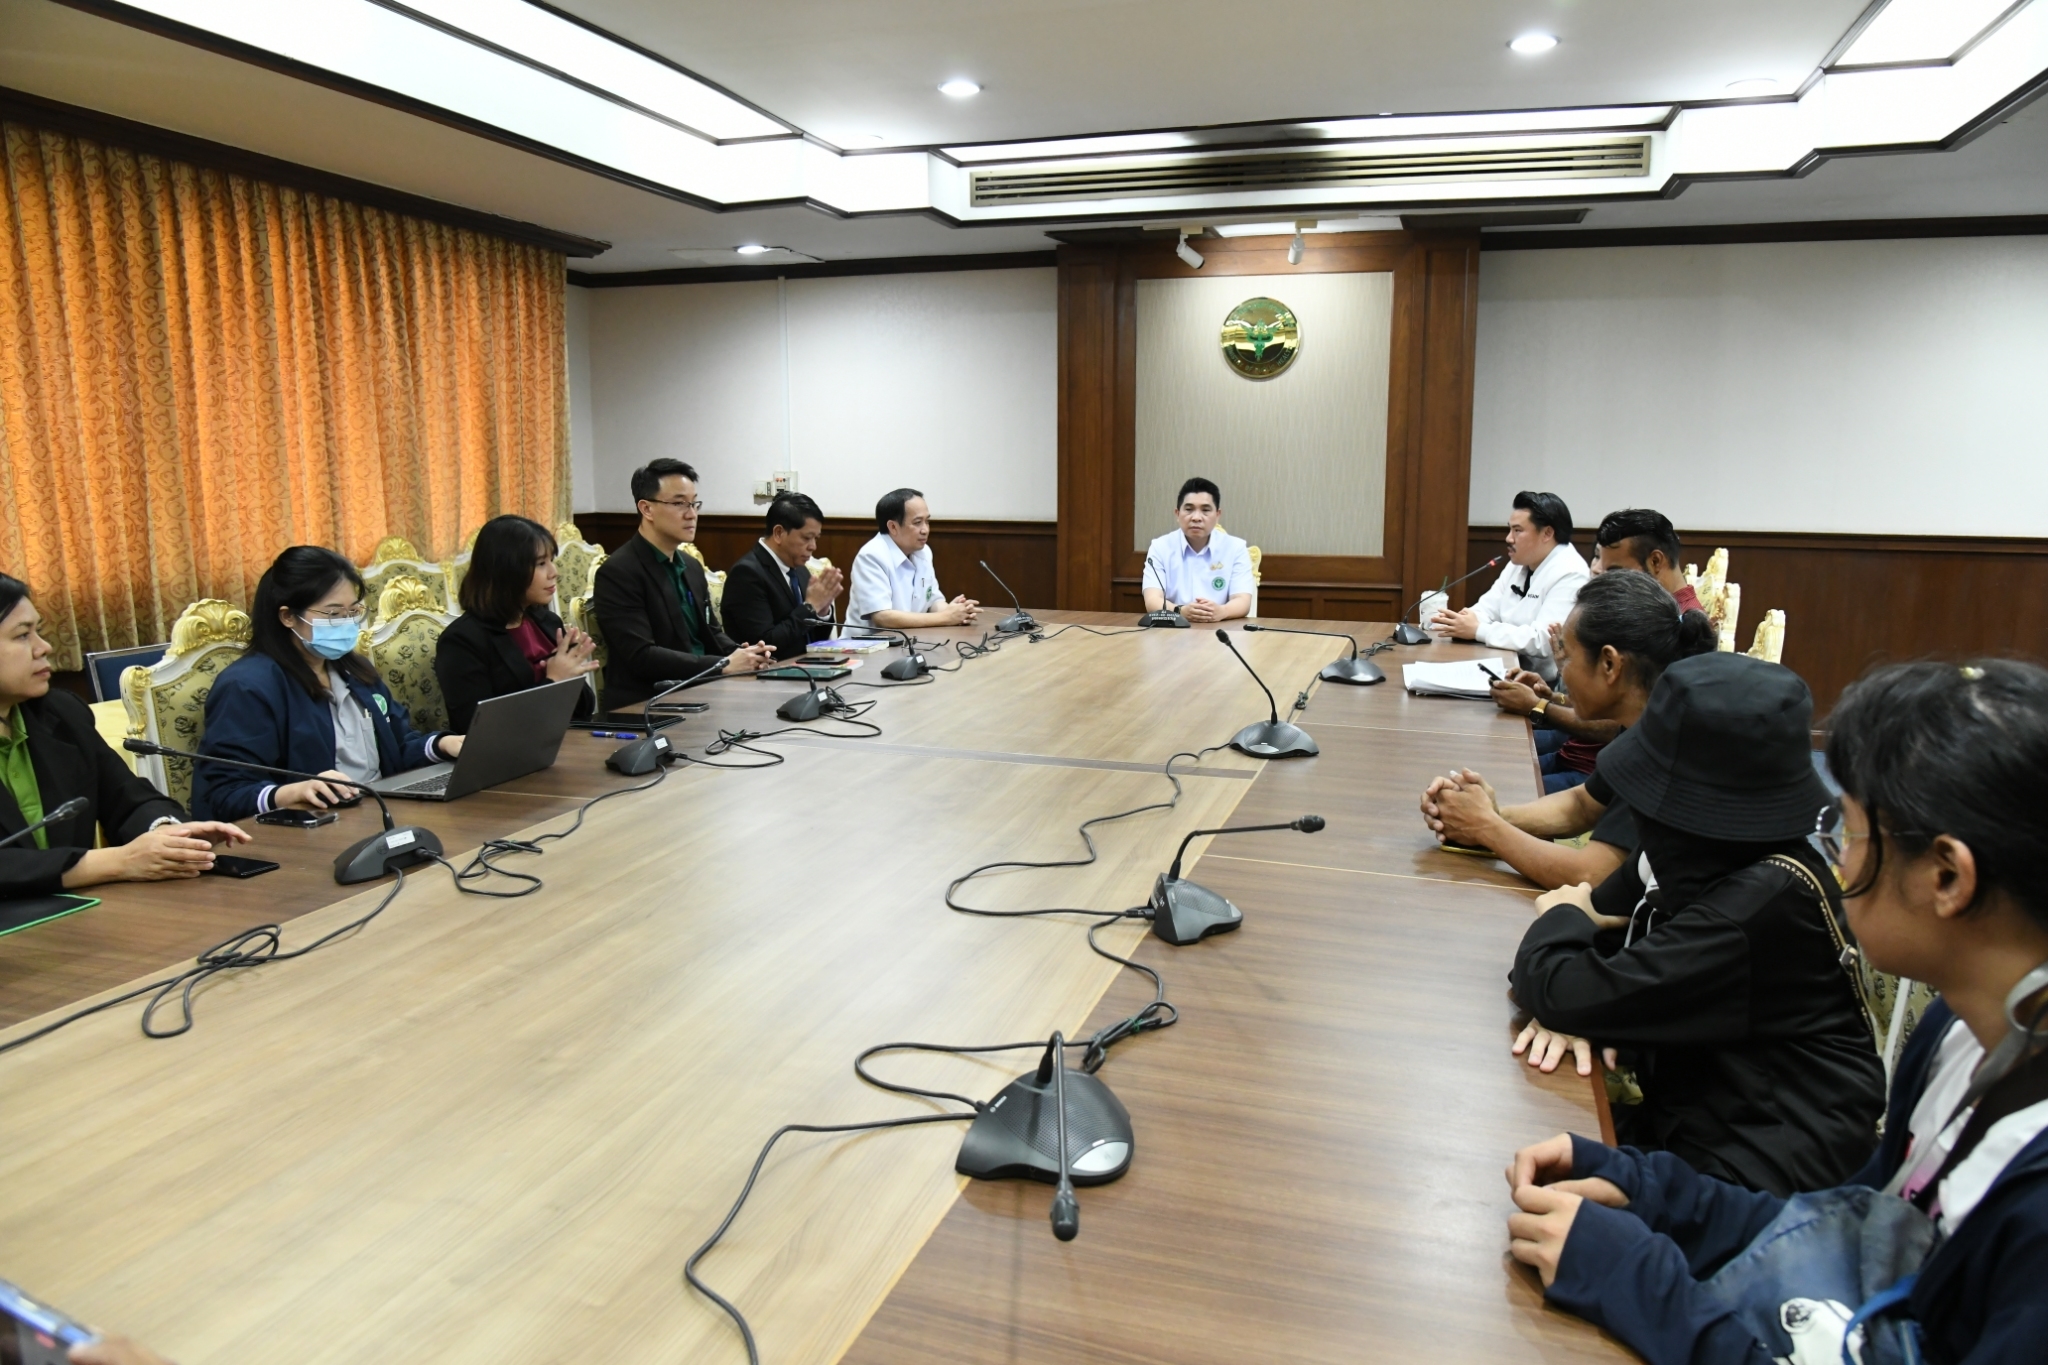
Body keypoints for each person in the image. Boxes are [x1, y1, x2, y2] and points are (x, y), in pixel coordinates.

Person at [1504, 659, 2048, 1365]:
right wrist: (1651, 1191)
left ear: (1947, 876)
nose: (1839, 863)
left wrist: (1638, 1280)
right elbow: (1856, 1229)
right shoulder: (1964, 1033)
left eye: (1851, 835)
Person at [1510, 651, 1883, 1197]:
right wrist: (1586, 1003)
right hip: (1694, 1123)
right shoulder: (1714, 858)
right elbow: (1590, 951)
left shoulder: (1758, 906)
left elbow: (1563, 976)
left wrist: (1563, 925)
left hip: (1762, 1184)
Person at [1421, 572, 1717, 893]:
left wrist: (1485, 826)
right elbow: (1583, 804)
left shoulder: (1670, 746)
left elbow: (1590, 875)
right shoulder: (1647, 720)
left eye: (1568, 656)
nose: (1562, 671)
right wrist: (1492, 814)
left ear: (1610, 664)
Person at [0, 573, 251, 897]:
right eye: (22, 636)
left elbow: (128, 799)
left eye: (39, 631)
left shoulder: (60, 714)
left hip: (73, 913)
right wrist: (116, 862)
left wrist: (168, 833)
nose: (43, 647)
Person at [191, 547, 463, 820]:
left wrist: (444, 744)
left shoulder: (355, 670)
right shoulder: (247, 687)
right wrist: (290, 793)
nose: (347, 623)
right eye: (333, 614)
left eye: (353, 611)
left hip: (380, 810)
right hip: (310, 825)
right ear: (287, 616)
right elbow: (226, 793)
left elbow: (397, 747)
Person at [1496, 509, 1701, 794]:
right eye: (1597, 562)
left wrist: (1540, 706)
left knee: (1503, 786)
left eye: (1614, 571)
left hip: (1601, 775)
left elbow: (1627, 724)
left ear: (1655, 561)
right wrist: (1554, 694)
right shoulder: (1637, 609)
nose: (1598, 575)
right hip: (1579, 755)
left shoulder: (1678, 629)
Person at [589, 459, 773, 709]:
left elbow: (711, 632)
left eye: (694, 503)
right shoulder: (618, 572)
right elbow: (641, 656)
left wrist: (745, 653)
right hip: (650, 700)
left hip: (703, 688)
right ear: (646, 509)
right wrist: (722, 665)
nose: (692, 514)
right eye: (679, 504)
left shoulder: (691, 566)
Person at [433, 515, 598, 733]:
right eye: (541, 564)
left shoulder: (547, 622)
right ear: (507, 570)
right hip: (509, 751)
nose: (554, 572)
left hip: (566, 740)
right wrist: (554, 681)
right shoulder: (462, 641)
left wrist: (572, 673)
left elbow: (585, 709)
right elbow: (477, 728)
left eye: (551, 560)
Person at [1431, 491, 1588, 674]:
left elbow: (1543, 640)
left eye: (1517, 530)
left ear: (1547, 533)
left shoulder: (1571, 572)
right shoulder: (1520, 561)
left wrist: (1479, 630)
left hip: (1542, 682)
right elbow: (1487, 608)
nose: (1508, 538)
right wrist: (1464, 621)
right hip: (1507, 665)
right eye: (1510, 529)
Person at [719, 493, 845, 659]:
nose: (813, 546)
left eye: (816, 538)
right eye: (807, 538)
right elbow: (765, 645)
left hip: (806, 664)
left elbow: (815, 639)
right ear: (779, 533)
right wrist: (810, 607)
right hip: (768, 671)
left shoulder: (800, 570)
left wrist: (822, 611)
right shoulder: (747, 574)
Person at [845, 487, 980, 631]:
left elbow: (933, 601)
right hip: (868, 643)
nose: (925, 530)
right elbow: (883, 617)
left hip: (910, 640)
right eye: (917, 522)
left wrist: (957, 611)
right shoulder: (872, 556)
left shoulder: (924, 551)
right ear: (893, 527)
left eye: (927, 521)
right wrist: (946, 617)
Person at [1140, 477, 1255, 623]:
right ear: (1177, 514)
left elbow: (1242, 601)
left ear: (1217, 515)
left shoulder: (1235, 548)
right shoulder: (1160, 547)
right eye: (1189, 509)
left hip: (1220, 628)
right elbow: (1152, 600)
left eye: (1205, 510)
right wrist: (1180, 611)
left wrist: (1222, 611)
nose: (1196, 518)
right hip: (1172, 628)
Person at [1590, 506, 1704, 614]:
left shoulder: (1684, 623)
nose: (1596, 570)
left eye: (1614, 571)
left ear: (1655, 561)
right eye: (1597, 556)